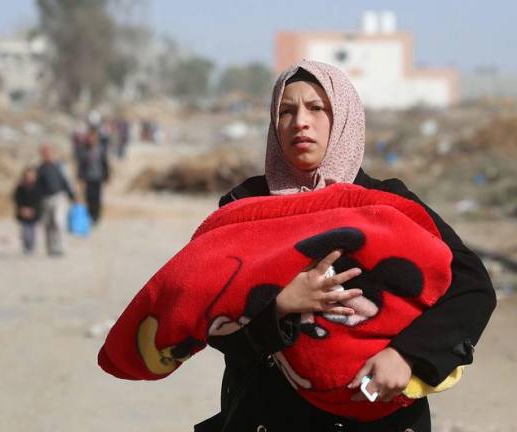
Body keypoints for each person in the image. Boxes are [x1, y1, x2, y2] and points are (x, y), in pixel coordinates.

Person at [195, 60, 496, 431]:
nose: (300, 122)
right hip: (270, 414)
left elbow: (472, 288)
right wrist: (281, 304)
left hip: (377, 418)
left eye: (316, 108)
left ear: (344, 118)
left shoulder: (388, 203)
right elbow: (210, 318)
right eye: (286, 111)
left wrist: (407, 355)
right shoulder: (244, 209)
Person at [36, 144, 76, 256]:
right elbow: (36, 187)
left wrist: (72, 195)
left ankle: (61, 247)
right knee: (48, 225)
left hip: (59, 197)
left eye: (49, 153)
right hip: (45, 200)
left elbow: (65, 181)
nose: (47, 155)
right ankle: (50, 247)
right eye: (45, 153)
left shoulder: (59, 167)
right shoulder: (40, 169)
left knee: (59, 222)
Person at [75, 126, 110, 224]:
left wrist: (106, 176)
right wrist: (79, 177)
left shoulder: (100, 149)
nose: (91, 139)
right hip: (88, 177)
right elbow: (81, 164)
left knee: (97, 197)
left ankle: (96, 216)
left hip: (98, 177)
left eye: (93, 137)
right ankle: (90, 215)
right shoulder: (84, 149)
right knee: (88, 197)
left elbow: (104, 163)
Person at [12, 166, 41, 254]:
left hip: (34, 213)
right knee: (25, 231)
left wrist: (33, 210)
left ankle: (31, 246)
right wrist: (22, 209)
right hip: (23, 213)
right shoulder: (20, 187)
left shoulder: (37, 187)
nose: (29, 178)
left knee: (32, 230)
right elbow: (16, 199)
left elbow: (39, 200)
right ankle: (26, 246)